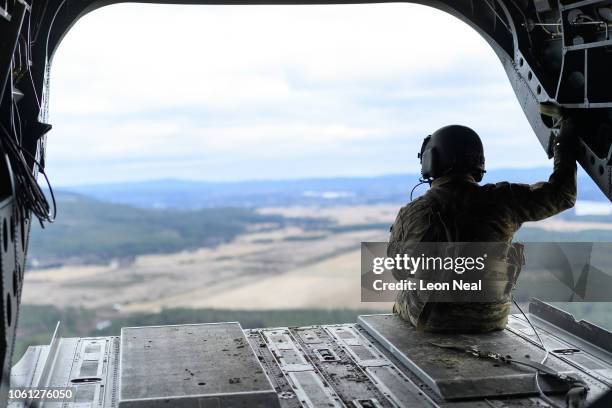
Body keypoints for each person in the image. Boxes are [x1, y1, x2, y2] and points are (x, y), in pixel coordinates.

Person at [388, 120, 577, 333]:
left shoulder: (411, 212)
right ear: (478, 162)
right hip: (490, 319)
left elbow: (398, 271)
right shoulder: (504, 200)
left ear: (431, 162)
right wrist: (562, 145)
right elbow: (563, 195)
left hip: (432, 320)